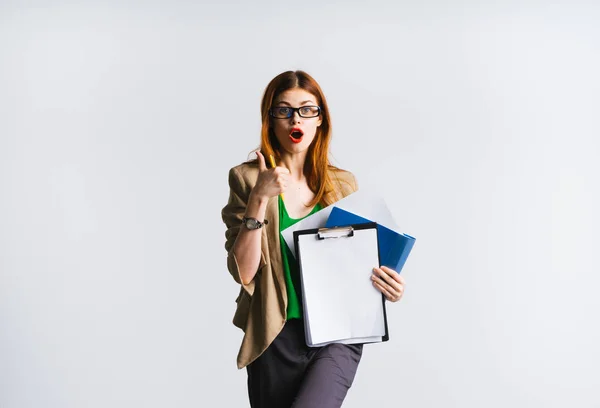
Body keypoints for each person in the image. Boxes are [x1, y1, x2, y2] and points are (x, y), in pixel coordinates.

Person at [221, 70, 406, 408]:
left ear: (320, 119)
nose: (296, 119)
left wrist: (387, 284)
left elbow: (359, 262)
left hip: (337, 334)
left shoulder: (343, 185)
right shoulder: (247, 179)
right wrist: (260, 199)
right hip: (275, 335)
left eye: (307, 109)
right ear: (270, 118)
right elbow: (244, 273)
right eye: (284, 109)